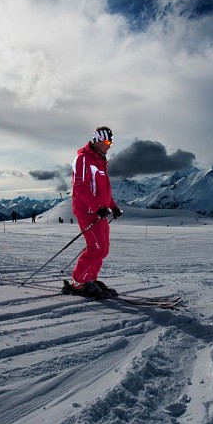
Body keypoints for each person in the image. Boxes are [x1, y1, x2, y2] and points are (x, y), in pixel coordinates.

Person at [65, 126, 123, 297]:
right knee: (95, 247)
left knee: (103, 249)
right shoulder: (83, 159)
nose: (109, 145)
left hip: (100, 211)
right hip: (88, 211)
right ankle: (78, 282)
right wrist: (98, 207)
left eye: (110, 142)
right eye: (106, 141)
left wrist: (112, 207)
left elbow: (104, 190)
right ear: (97, 139)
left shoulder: (100, 160)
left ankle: (89, 279)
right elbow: (81, 187)